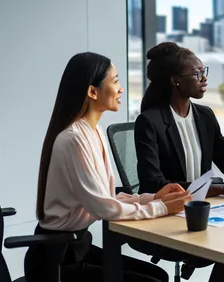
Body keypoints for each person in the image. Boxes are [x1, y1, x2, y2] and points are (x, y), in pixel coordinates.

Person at [24, 52, 192, 282]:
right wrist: (161, 207)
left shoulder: (95, 131)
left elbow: (104, 198)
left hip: (78, 247)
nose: (121, 88)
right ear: (92, 92)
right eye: (115, 81)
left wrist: (151, 199)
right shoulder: (73, 138)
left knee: (158, 275)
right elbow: (103, 208)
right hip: (56, 261)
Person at [134, 42, 224, 282]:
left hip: (203, 209)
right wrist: (222, 189)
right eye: (197, 73)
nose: (204, 78)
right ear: (175, 80)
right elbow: (153, 183)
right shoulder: (150, 121)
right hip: (169, 212)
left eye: (204, 71)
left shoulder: (205, 116)